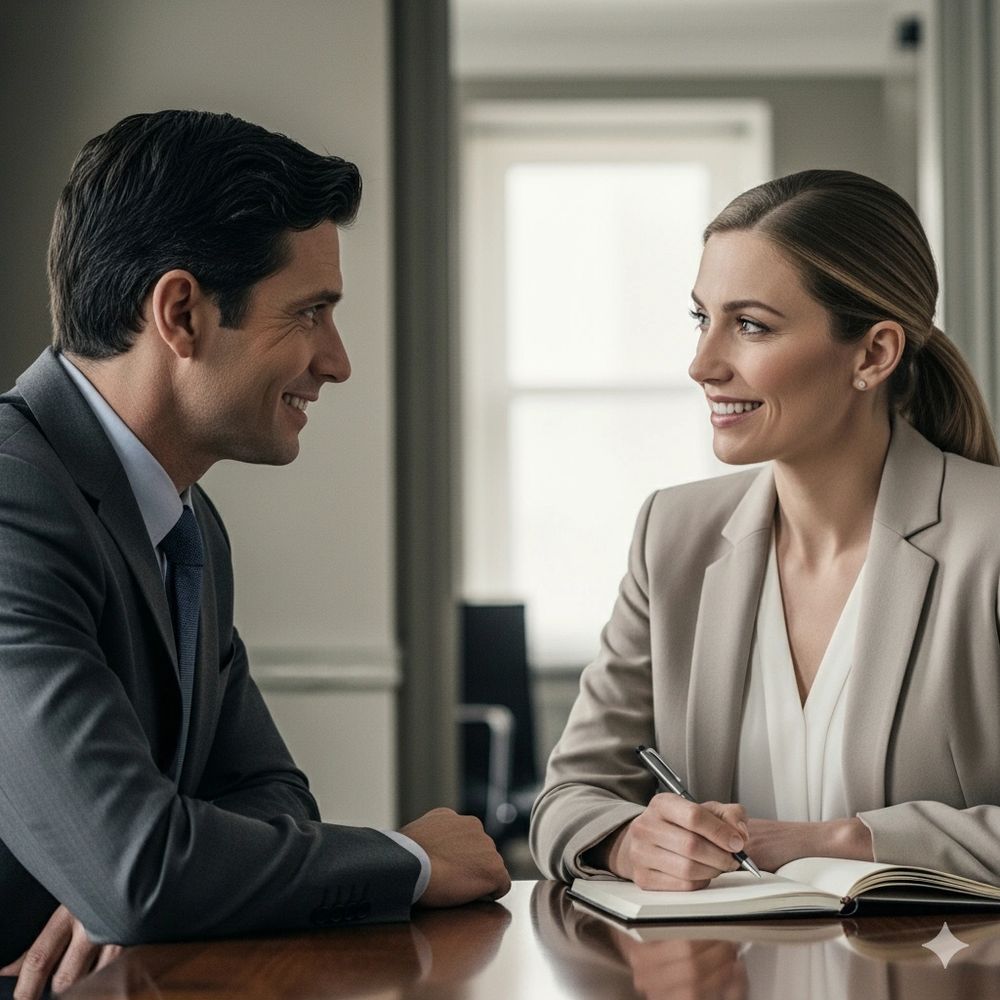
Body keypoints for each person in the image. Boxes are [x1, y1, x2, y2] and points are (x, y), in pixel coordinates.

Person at [0, 110, 509, 998]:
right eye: (310, 313)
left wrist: (127, 883)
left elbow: (270, 796)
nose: (338, 361)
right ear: (182, 313)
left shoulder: (189, 525)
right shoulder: (12, 498)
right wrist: (408, 859)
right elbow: (139, 869)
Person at [530, 169, 1000, 895]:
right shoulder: (674, 536)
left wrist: (845, 840)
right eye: (701, 318)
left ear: (873, 354)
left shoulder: (989, 538)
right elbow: (567, 799)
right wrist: (629, 840)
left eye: (750, 325)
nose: (702, 364)